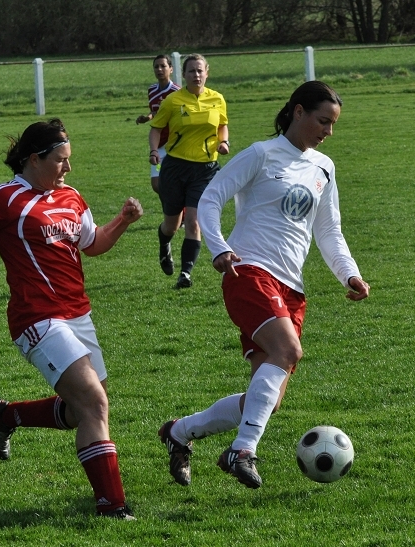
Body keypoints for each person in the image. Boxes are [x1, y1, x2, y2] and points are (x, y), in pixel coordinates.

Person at [0, 118, 141, 520]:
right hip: (37, 319)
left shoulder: (70, 196)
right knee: (93, 404)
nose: (68, 168)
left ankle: (5, 415)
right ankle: (113, 507)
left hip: (79, 316)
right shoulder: (5, 199)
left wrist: (121, 220)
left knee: (78, 411)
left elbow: (93, 244)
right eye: (60, 160)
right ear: (34, 159)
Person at [157, 81, 370, 489]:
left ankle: (179, 433)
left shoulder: (324, 167)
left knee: (265, 400)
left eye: (333, 124)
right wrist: (218, 249)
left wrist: (350, 274)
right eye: (323, 121)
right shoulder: (261, 153)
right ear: (298, 112)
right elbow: (212, 198)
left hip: (293, 288)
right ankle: (242, 450)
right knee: (288, 350)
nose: (328, 131)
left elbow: (329, 231)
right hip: (248, 270)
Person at [148, 53, 229, 289]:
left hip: (205, 169)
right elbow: (155, 128)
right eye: (191, 71)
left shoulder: (217, 99)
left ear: (207, 72)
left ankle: (185, 274)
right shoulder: (173, 101)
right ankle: (164, 243)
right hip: (175, 167)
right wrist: (154, 150)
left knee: (194, 221)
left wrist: (224, 142)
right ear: (183, 75)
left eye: (200, 70)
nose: (196, 75)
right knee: (172, 224)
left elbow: (222, 125)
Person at [135, 54, 181, 195]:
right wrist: (147, 117)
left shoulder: (177, 92)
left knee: (173, 181)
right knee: (157, 184)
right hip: (159, 142)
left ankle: (180, 214)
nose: (159, 69)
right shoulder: (152, 90)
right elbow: (155, 111)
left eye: (163, 66)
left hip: (175, 143)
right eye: (156, 66)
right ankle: (176, 213)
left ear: (171, 69)